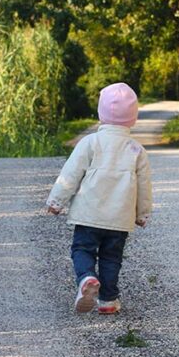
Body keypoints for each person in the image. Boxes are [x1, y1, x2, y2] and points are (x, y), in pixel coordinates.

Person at [46, 82, 152, 315]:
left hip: (88, 215)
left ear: (101, 114)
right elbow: (144, 185)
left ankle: (86, 278)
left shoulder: (90, 143)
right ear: (133, 118)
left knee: (82, 250)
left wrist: (56, 201)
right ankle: (108, 301)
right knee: (111, 257)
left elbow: (71, 174)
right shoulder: (136, 150)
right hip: (119, 219)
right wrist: (142, 213)